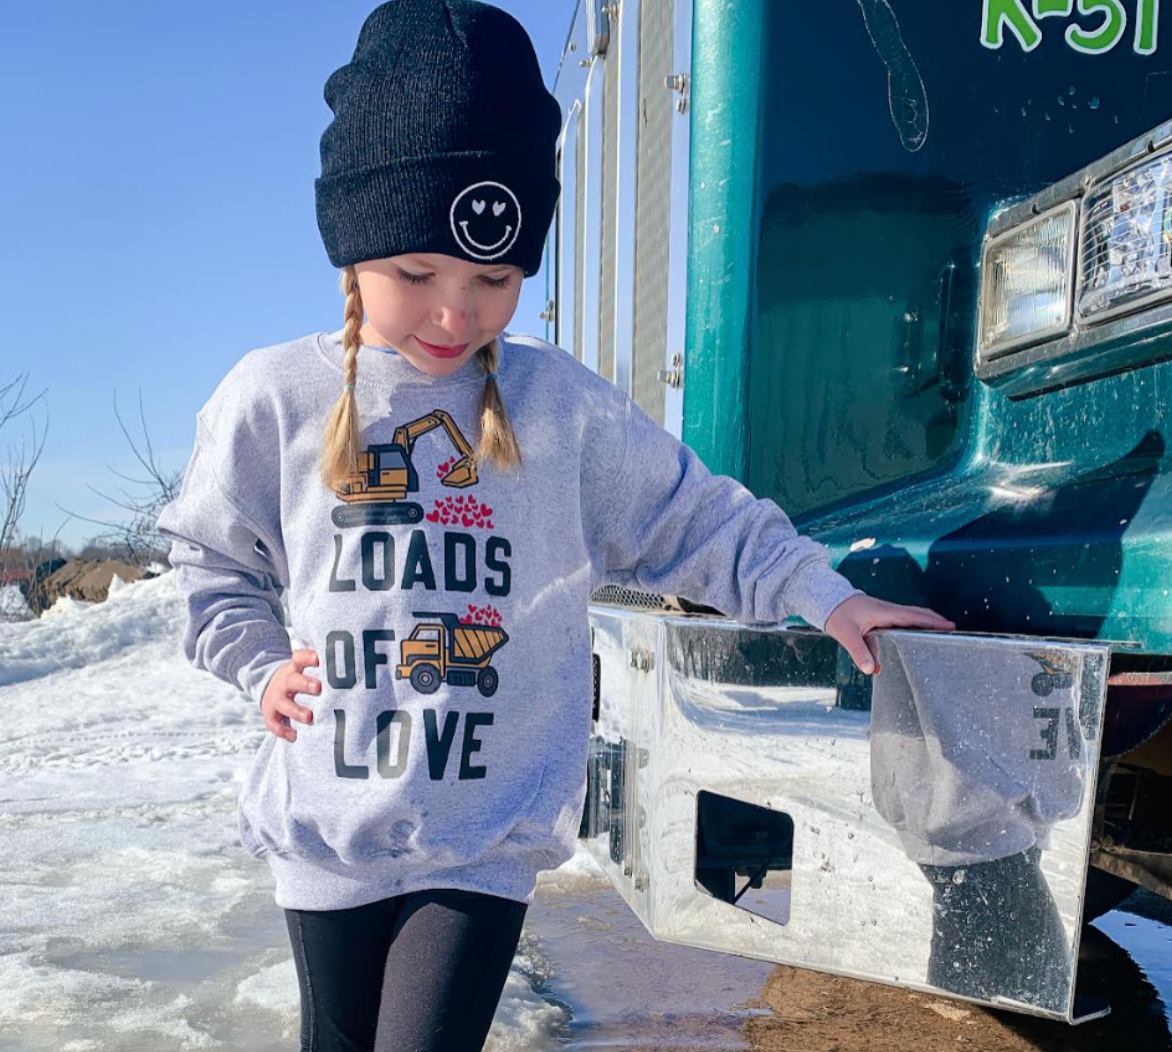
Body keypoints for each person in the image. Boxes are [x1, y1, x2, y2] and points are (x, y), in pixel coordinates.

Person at [154, 2, 955, 1049]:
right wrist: (259, 663)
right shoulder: (276, 397)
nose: (454, 312)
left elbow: (697, 517)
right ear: (350, 248)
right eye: (415, 275)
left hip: (481, 832)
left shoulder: (558, 409)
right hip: (327, 820)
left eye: (492, 279)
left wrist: (826, 593)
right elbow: (209, 562)